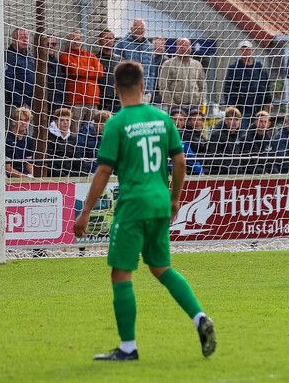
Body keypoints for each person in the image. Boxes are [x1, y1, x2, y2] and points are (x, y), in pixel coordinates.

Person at [73, 60, 216, 361]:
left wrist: (85, 212)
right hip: (160, 201)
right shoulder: (163, 119)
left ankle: (128, 348)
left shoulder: (117, 123)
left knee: (121, 273)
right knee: (162, 267)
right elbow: (180, 162)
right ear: (142, 85)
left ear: (115, 88)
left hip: (133, 205)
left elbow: (103, 172)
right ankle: (199, 317)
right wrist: (175, 199)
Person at [60, 30, 104, 134]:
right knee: (74, 131)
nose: (76, 41)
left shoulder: (90, 55)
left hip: (92, 100)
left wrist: (81, 69)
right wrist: (90, 69)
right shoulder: (65, 56)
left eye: (78, 39)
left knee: (93, 131)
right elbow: (73, 70)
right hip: (76, 101)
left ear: (82, 41)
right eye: (72, 39)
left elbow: (100, 72)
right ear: (68, 42)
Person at [222, 41, 272, 125]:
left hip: (258, 107)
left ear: (252, 50)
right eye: (243, 50)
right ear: (240, 51)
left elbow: (266, 85)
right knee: (242, 132)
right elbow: (228, 89)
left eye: (248, 49)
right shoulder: (234, 68)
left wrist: (268, 101)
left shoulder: (259, 67)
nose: (246, 52)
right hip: (241, 108)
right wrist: (231, 107)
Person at [157, 37, 206, 113]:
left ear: (191, 47)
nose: (184, 48)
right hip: (176, 107)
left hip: (195, 106)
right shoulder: (168, 64)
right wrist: (171, 104)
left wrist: (201, 102)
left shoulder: (197, 65)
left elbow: (203, 86)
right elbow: (163, 86)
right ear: (177, 48)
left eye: (187, 45)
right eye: (181, 45)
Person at [114, 19, 154, 100]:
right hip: (128, 90)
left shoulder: (149, 46)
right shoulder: (121, 43)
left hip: (145, 92)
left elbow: (152, 70)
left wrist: (150, 89)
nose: (139, 31)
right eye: (137, 28)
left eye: (141, 29)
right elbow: (116, 65)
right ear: (131, 29)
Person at [206, 106, 242, 175]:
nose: (234, 123)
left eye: (237, 120)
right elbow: (212, 157)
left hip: (237, 173)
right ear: (225, 121)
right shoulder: (217, 135)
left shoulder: (240, 135)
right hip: (219, 173)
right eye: (231, 119)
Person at [5, 27, 35, 109]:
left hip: (32, 103)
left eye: (26, 38)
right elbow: (8, 82)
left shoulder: (30, 56)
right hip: (17, 105)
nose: (25, 40)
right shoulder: (8, 56)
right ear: (14, 40)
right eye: (21, 38)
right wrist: (21, 102)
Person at [45, 107, 80, 177]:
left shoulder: (73, 139)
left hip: (71, 176)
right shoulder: (48, 137)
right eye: (62, 120)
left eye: (67, 120)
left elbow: (77, 160)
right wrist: (63, 176)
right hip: (54, 177)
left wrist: (74, 175)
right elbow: (48, 162)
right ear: (56, 122)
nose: (65, 122)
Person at [77, 109, 112, 174]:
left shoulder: (112, 134)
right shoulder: (84, 132)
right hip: (89, 171)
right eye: (101, 124)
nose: (104, 127)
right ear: (95, 123)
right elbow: (79, 155)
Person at [239, 110, 274, 174]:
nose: (263, 124)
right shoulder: (246, 139)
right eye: (261, 121)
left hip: (266, 174)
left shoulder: (269, 140)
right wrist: (263, 172)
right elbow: (248, 163)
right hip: (250, 175)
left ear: (269, 124)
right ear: (256, 122)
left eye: (265, 122)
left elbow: (271, 161)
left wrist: (275, 173)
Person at [95, 29, 122, 114]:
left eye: (111, 38)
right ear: (100, 41)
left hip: (118, 102)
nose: (109, 41)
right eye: (106, 38)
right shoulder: (94, 59)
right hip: (101, 103)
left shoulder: (120, 60)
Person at [5, 106, 34, 179]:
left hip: (24, 175)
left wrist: (32, 176)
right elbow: (7, 168)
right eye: (21, 120)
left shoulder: (29, 140)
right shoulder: (6, 138)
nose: (24, 123)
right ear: (13, 121)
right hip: (7, 177)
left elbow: (28, 163)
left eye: (26, 120)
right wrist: (22, 176)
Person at [45, 36, 67, 115]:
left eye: (53, 44)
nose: (51, 46)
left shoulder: (57, 62)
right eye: (47, 44)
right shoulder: (39, 61)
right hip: (47, 102)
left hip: (59, 101)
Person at [150, 37, 169, 104]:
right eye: (157, 45)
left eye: (161, 45)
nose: (159, 47)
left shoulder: (166, 61)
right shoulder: (148, 58)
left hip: (160, 96)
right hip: (148, 94)